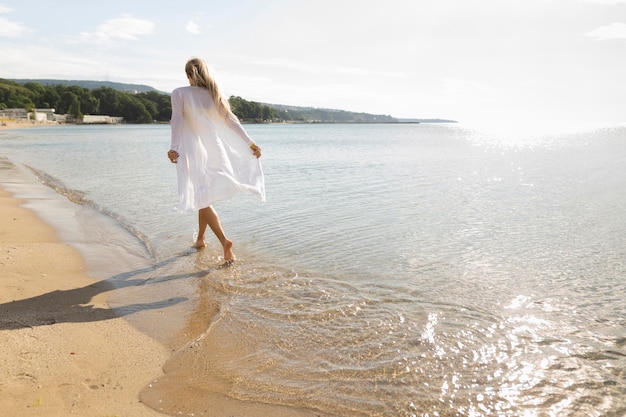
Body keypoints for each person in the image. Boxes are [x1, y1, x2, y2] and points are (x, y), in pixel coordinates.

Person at [167, 57, 265, 263]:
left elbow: (176, 120)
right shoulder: (213, 95)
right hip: (215, 150)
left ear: (188, 75)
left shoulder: (179, 93)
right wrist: (250, 143)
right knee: (204, 196)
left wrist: (173, 148)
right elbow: (231, 121)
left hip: (194, 151)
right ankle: (201, 239)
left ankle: (225, 242)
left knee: (202, 198)